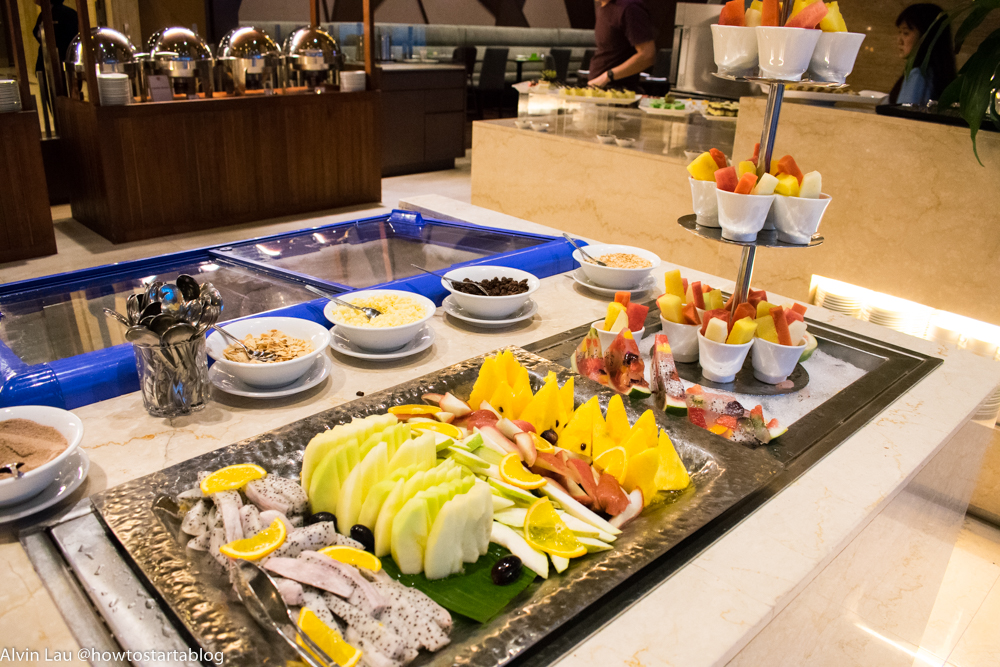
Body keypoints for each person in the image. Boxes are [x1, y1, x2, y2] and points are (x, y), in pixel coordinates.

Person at [889, 3, 957, 105]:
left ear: (926, 36)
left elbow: (904, 114)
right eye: (899, 32)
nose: (899, 40)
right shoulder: (942, 75)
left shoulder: (918, 74)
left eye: (905, 33)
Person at [587, 0, 657, 91]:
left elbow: (647, 55)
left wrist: (608, 76)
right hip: (600, 90)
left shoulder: (629, 8)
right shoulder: (603, 7)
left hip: (619, 93)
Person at [32, 0, 78, 126]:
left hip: (62, 67)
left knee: (65, 107)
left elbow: (73, 42)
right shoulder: (43, 15)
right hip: (46, 65)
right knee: (53, 106)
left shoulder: (67, 14)